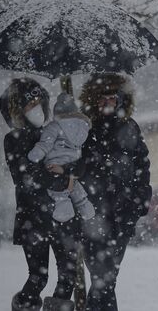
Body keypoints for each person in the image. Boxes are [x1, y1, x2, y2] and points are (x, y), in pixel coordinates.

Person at [0, 78, 81, 311]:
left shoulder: (54, 130)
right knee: (38, 278)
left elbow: (73, 161)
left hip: (62, 216)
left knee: (67, 277)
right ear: (17, 110)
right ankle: (24, 307)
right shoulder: (13, 140)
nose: (35, 107)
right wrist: (64, 180)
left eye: (38, 102)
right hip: (33, 219)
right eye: (29, 104)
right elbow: (27, 177)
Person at [78, 73, 152, 311]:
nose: (107, 103)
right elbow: (75, 165)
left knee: (107, 279)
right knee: (103, 279)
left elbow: (142, 164)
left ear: (121, 100)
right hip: (91, 214)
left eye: (112, 98)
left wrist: (140, 200)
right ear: (93, 99)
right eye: (102, 98)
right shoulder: (83, 128)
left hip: (123, 215)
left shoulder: (129, 127)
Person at [28, 92, 96, 223]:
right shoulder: (83, 128)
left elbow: (45, 144)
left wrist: (34, 155)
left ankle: (64, 211)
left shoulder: (54, 126)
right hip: (73, 166)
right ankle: (85, 207)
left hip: (55, 165)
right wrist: (70, 169)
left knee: (59, 192)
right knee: (75, 188)